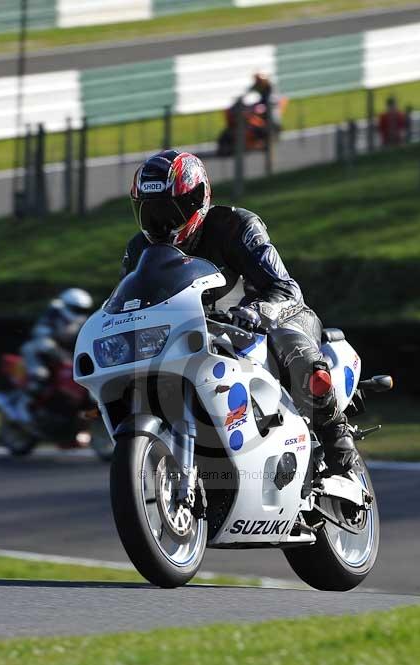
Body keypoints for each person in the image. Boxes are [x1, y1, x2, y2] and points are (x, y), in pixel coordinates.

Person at [121, 150, 357, 473]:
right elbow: (131, 306)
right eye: (150, 215)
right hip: (198, 343)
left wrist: (258, 311)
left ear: (197, 200)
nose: (161, 226)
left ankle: (337, 440)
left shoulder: (236, 226)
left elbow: (286, 289)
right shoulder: (139, 252)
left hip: (267, 323)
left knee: (292, 344)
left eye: (170, 212)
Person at [18, 288, 93, 423]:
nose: (79, 313)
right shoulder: (51, 315)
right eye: (76, 309)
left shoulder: (83, 322)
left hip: (67, 356)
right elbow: (42, 337)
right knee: (40, 376)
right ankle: (24, 407)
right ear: (66, 305)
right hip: (40, 354)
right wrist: (55, 351)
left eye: (82, 310)